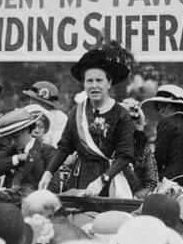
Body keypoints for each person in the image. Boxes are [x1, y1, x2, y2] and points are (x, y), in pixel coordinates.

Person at [39, 48, 135, 197]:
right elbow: (64, 147)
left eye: (99, 80)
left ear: (109, 83)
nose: (94, 86)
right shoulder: (76, 112)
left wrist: (102, 181)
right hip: (79, 179)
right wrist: (48, 172)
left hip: (110, 182)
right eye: (89, 81)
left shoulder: (121, 115)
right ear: (84, 84)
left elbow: (125, 155)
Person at [140, 84, 183, 190]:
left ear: (170, 105)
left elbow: (159, 158)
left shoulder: (167, 123)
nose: (160, 110)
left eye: (162, 105)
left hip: (172, 182)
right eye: (158, 107)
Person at [0, 108, 55, 195]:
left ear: (27, 129)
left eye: (15, 137)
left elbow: (53, 188)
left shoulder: (47, 151)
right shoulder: (11, 153)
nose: (12, 142)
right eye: (8, 138)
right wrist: (16, 158)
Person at [120, 98, 159, 198]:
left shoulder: (144, 151)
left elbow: (152, 182)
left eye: (136, 122)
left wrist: (138, 194)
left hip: (133, 200)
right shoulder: (107, 147)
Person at [21, 80, 68, 146]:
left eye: (34, 99)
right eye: (30, 99)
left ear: (47, 103)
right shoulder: (26, 112)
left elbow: (57, 146)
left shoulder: (60, 117)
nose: (30, 102)